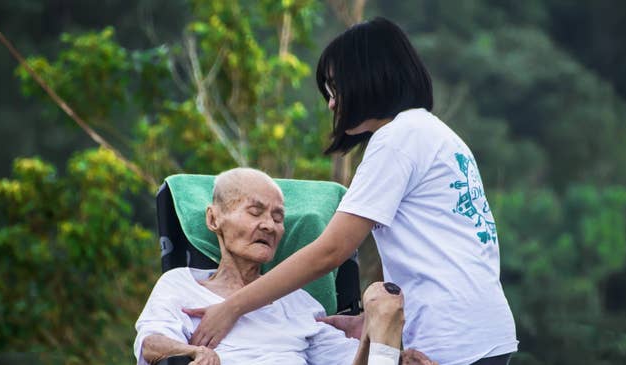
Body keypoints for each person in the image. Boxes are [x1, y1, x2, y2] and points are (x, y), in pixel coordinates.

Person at [186, 17, 518, 365]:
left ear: (367, 76)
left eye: (334, 88)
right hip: (483, 328)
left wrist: (233, 307)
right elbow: (444, 249)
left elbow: (331, 251)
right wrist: (368, 322)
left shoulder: (396, 140)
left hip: (453, 339)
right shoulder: (437, 134)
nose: (331, 103)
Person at [134, 168, 414, 365]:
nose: (269, 225)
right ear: (213, 218)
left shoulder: (298, 302)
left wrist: (383, 342)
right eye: (255, 212)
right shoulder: (182, 284)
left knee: (382, 300)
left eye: (279, 218)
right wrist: (193, 352)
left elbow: (346, 360)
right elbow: (150, 344)